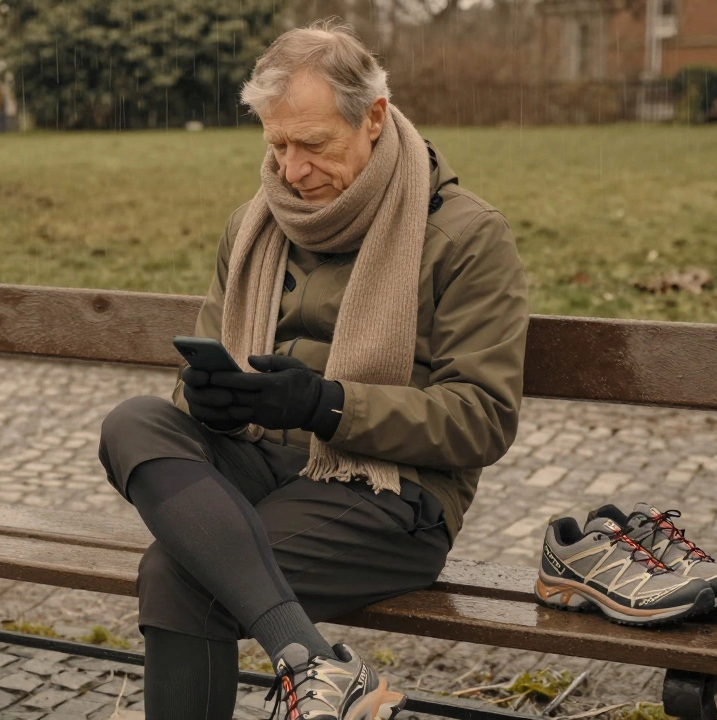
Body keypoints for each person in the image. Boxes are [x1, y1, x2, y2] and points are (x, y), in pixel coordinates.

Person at [98, 20, 529, 720]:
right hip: (261, 461)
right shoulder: (253, 223)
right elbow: (200, 366)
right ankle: (318, 662)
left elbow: (482, 418)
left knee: (177, 575)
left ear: (375, 118)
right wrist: (210, 401)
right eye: (276, 145)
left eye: (314, 145)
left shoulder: (466, 235)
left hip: (389, 495)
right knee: (133, 422)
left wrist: (325, 405)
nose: (291, 172)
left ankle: (309, 663)